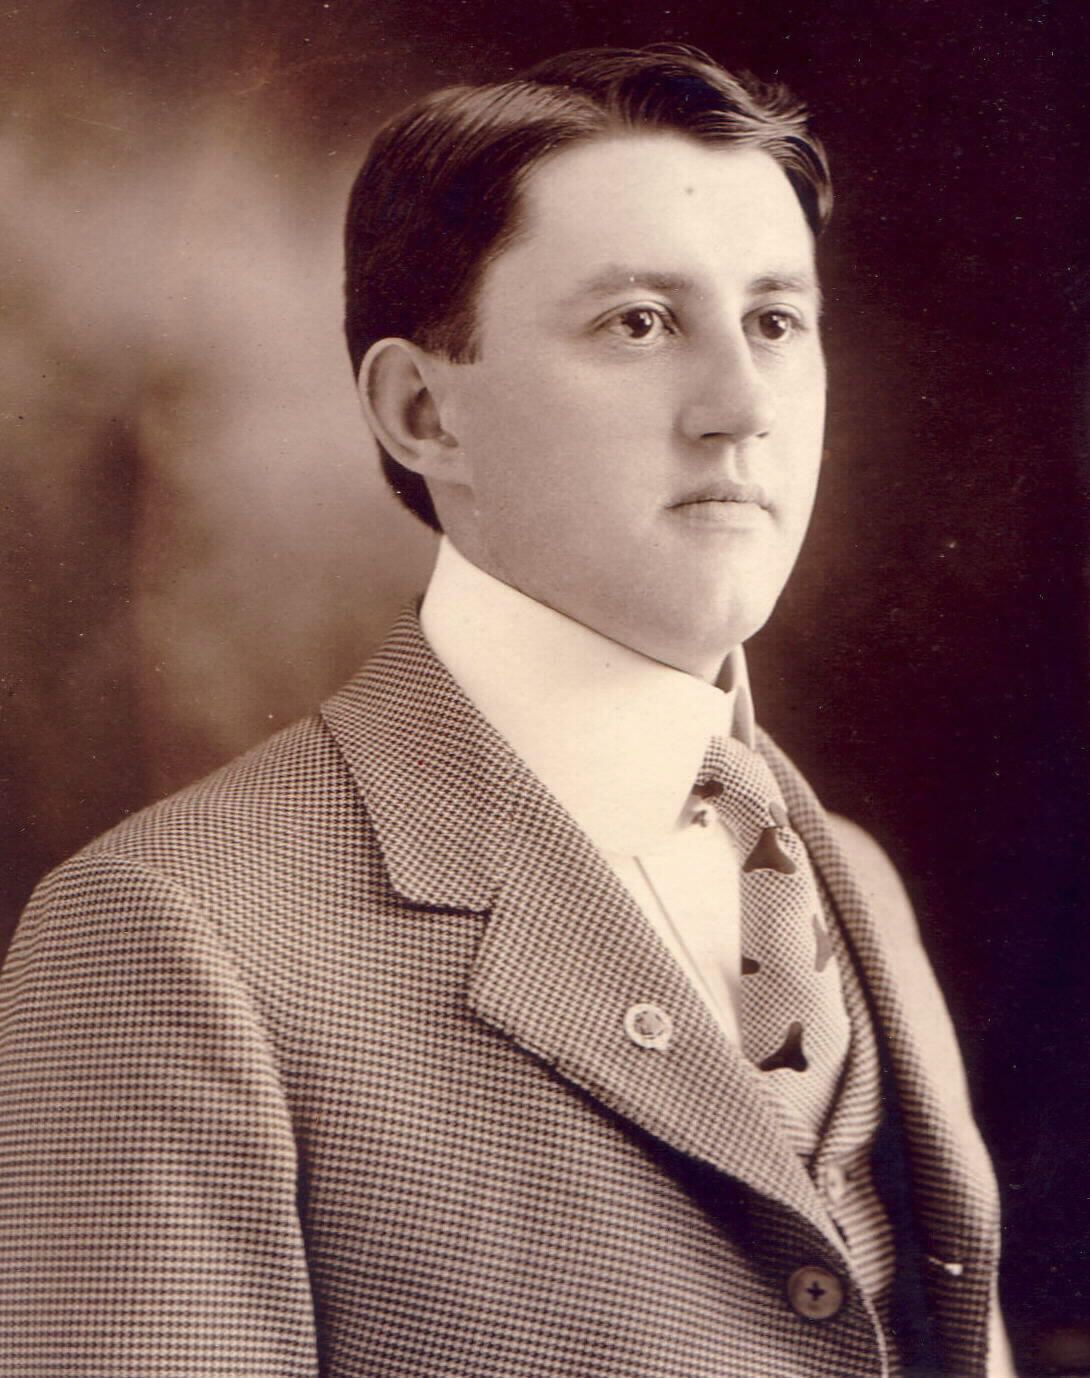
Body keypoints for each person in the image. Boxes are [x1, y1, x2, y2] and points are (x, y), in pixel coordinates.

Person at [0, 44, 1012, 1378]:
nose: (741, 408)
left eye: (775, 321)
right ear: (424, 411)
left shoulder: (852, 884)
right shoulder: (173, 934)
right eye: (638, 323)